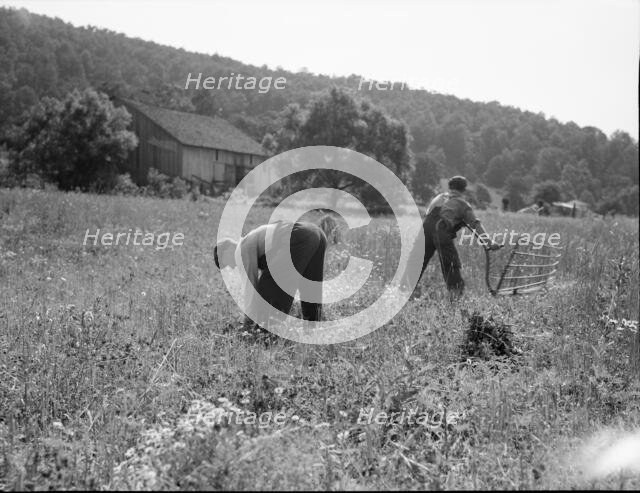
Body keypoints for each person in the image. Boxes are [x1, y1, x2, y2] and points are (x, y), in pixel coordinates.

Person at [214, 221, 327, 332]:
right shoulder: (251, 240)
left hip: (297, 236)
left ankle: (264, 334)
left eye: (226, 263)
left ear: (226, 250)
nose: (232, 267)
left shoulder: (240, 250)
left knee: (268, 285)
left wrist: (247, 322)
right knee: (310, 286)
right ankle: (313, 330)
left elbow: (251, 289)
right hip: (316, 233)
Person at [402, 176, 500, 300]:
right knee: (450, 262)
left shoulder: (439, 198)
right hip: (441, 230)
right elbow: (475, 224)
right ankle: (456, 295)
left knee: (417, 260)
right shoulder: (462, 203)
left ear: (450, 187)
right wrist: (490, 242)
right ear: (464, 189)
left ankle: (404, 290)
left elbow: (428, 214)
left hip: (425, 228)